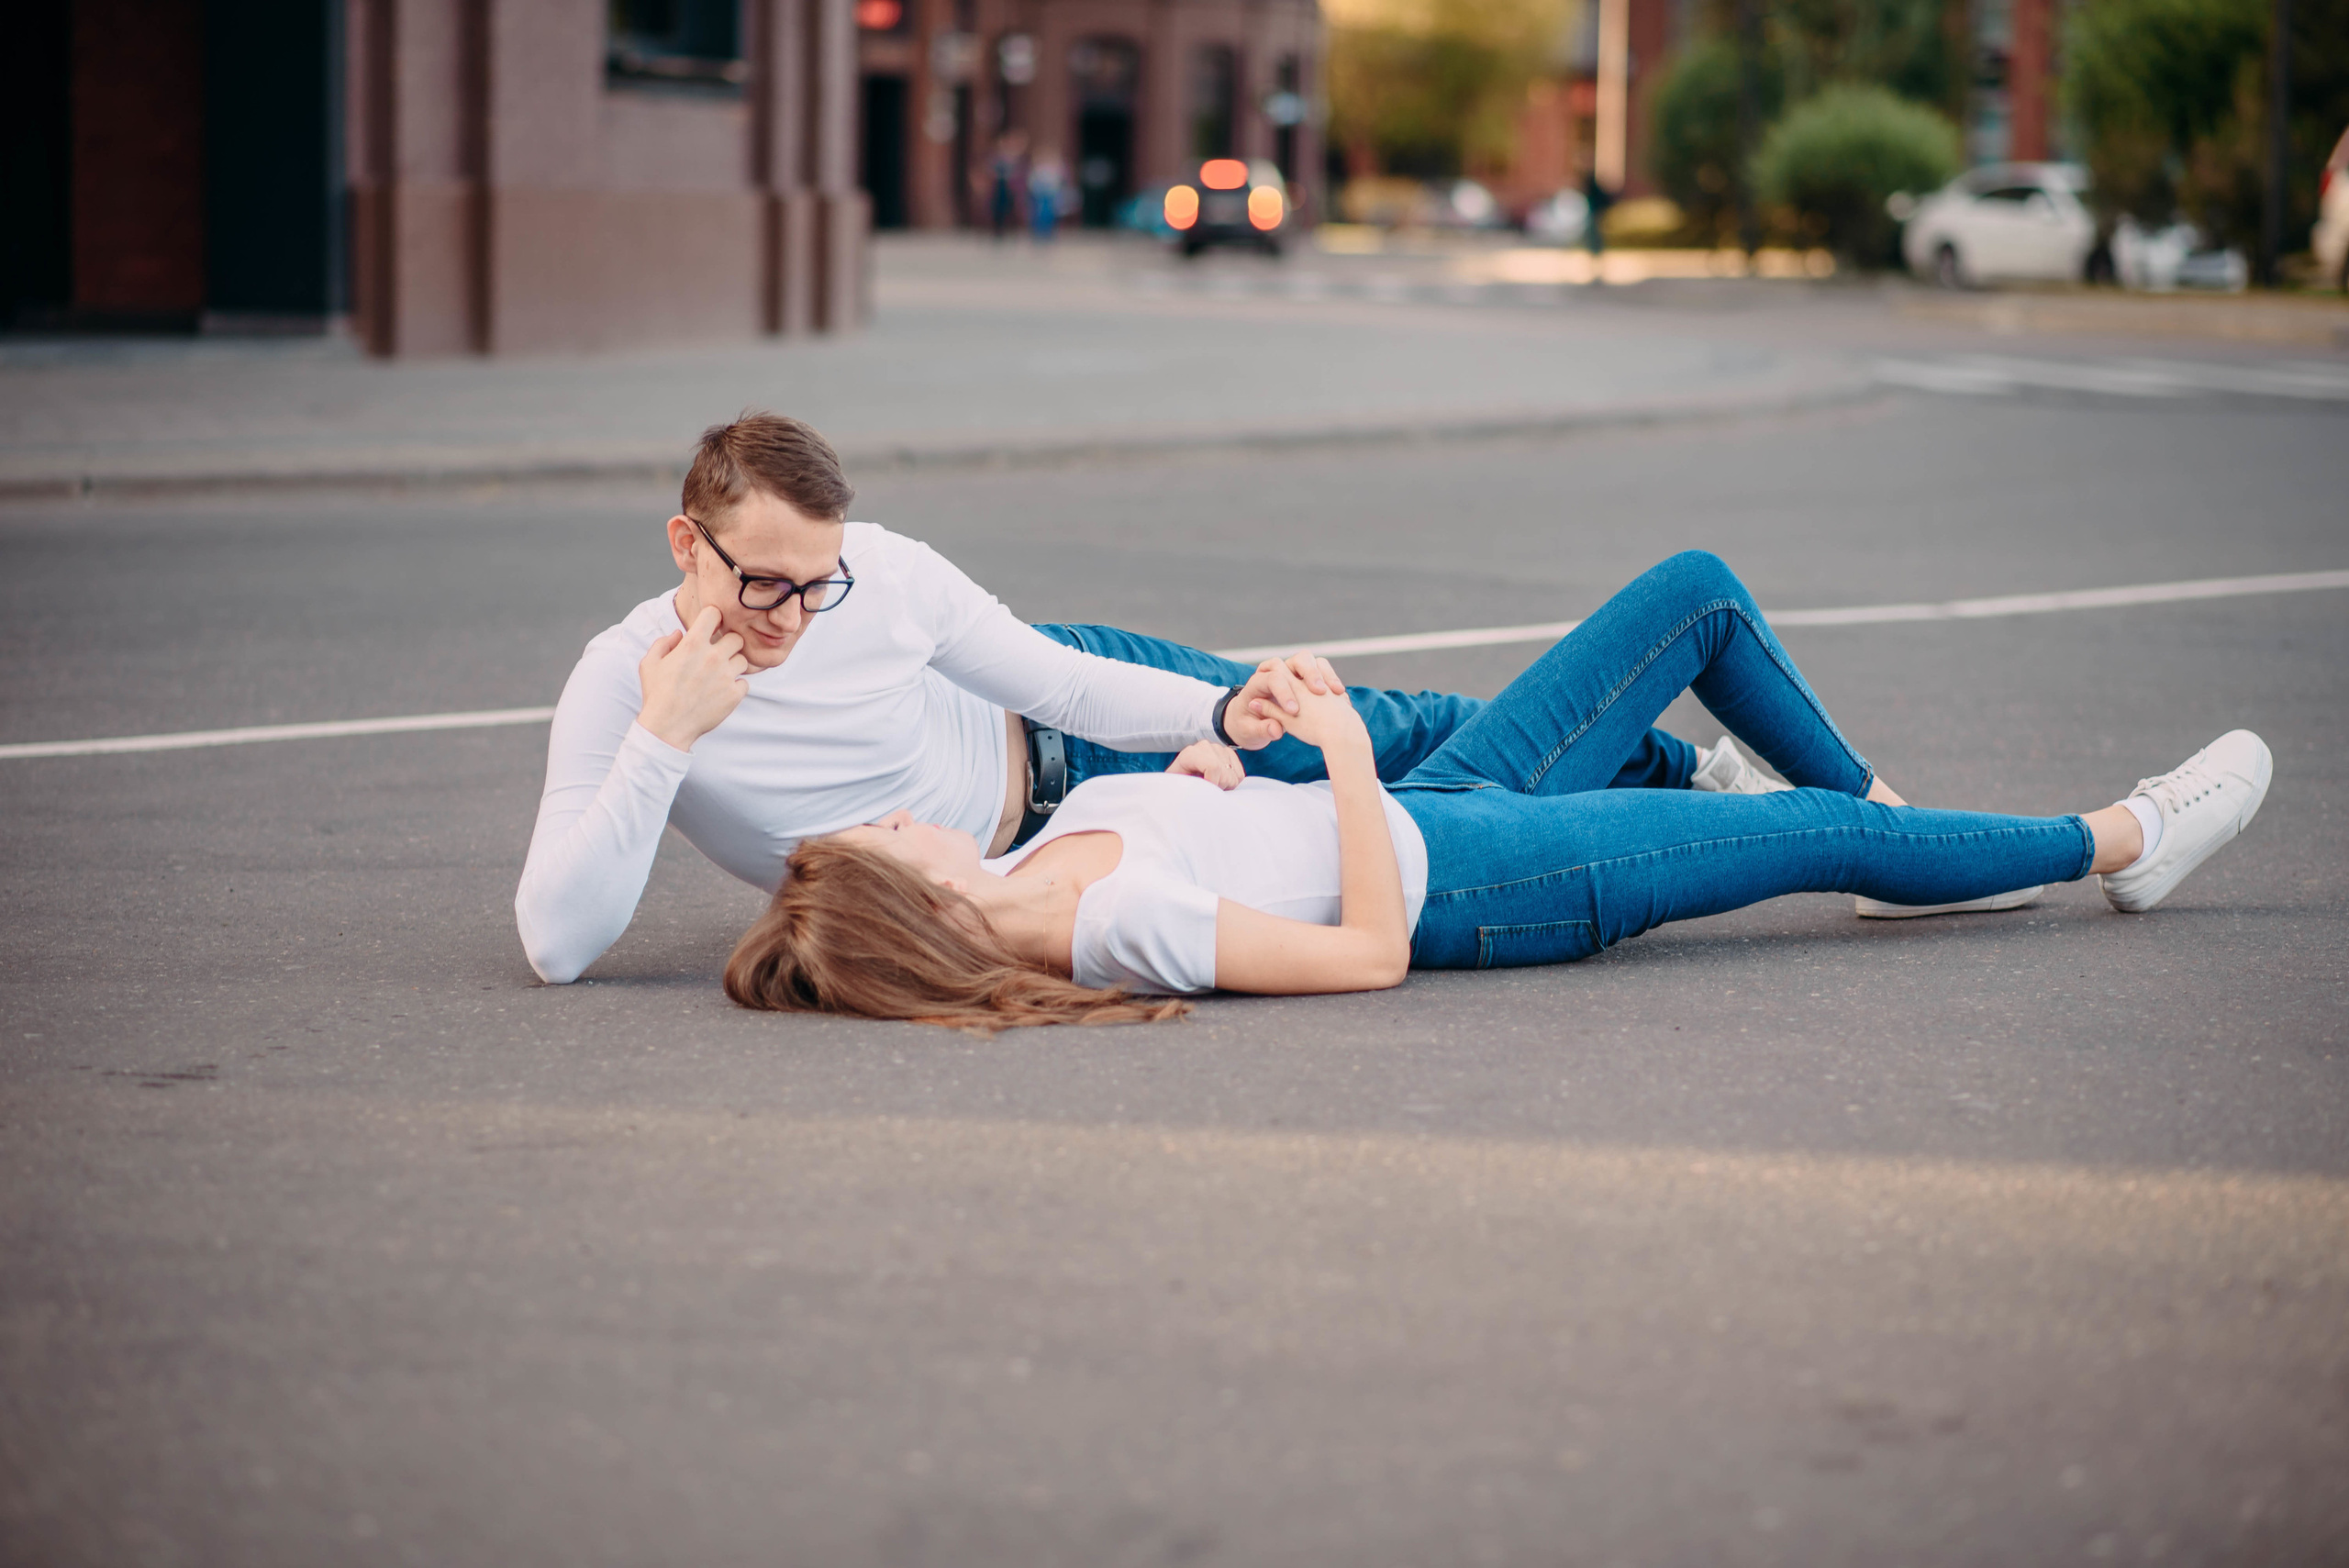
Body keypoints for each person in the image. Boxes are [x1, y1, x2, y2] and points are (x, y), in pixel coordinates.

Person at [724, 550, 2272, 1029]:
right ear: (913, 890)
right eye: (874, 833)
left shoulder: (1056, 854)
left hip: (1443, 803)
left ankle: (1907, 842)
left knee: (1696, 601)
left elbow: (1220, 824)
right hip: (1487, 882)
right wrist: (1336, 752)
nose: (897, 807)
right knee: (1808, 835)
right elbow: (1363, 953)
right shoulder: (1102, 924)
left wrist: (1215, 748)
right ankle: (2121, 839)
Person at [515, 412, 1726, 984]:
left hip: (1069, 735)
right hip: (1026, 862)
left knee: (1396, 729)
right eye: (760, 585)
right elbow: (556, 942)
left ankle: (1686, 769)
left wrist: (1213, 719)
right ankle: (1675, 789)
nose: (787, 615)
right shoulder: (618, 684)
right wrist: (663, 740)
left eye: (813, 585)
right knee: (1416, 798)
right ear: (687, 544)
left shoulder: (875, 575)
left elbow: (1061, 678)